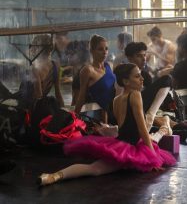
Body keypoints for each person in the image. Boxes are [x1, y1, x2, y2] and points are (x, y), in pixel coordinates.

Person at [37, 63, 176, 186]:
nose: (142, 79)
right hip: (132, 147)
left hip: (120, 145)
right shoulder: (135, 95)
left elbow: (126, 127)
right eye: (137, 76)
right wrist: (152, 156)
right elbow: (141, 128)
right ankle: (164, 127)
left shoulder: (116, 100)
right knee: (151, 143)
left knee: (94, 169)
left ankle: (54, 176)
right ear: (126, 81)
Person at [74, 35, 116, 124]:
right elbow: (82, 96)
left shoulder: (109, 66)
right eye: (100, 49)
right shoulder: (88, 70)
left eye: (106, 49)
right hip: (98, 114)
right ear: (92, 51)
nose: (104, 52)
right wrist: (75, 117)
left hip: (113, 110)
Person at [17, 34, 64, 109]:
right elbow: (58, 93)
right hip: (41, 107)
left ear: (39, 48)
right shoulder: (56, 65)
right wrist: (63, 110)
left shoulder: (34, 68)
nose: (32, 48)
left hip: (29, 109)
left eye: (34, 45)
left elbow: (38, 95)